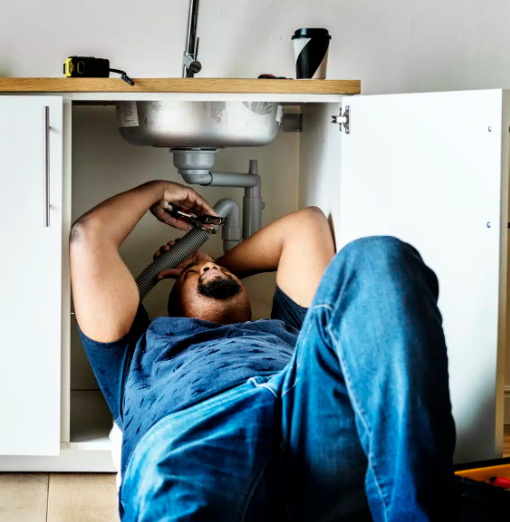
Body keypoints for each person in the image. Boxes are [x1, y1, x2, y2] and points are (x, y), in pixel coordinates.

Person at [69, 180, 456, 521]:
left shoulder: (288, 326)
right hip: (197, 433)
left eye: (212, 272)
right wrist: (156, 190)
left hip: (307, 412)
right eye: (190, 276)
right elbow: (89, 237)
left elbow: (306, 225)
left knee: (378, 258)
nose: (206, 273)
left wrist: (210, 262)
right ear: (171, 304)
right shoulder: (138, 348)